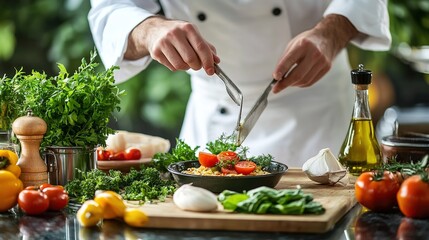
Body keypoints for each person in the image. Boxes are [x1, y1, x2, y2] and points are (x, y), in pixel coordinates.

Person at [88, 0, 391, 167]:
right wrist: (149, 28)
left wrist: (332, 33)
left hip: (316, 112)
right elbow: (110, 8)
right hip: (212, 116)